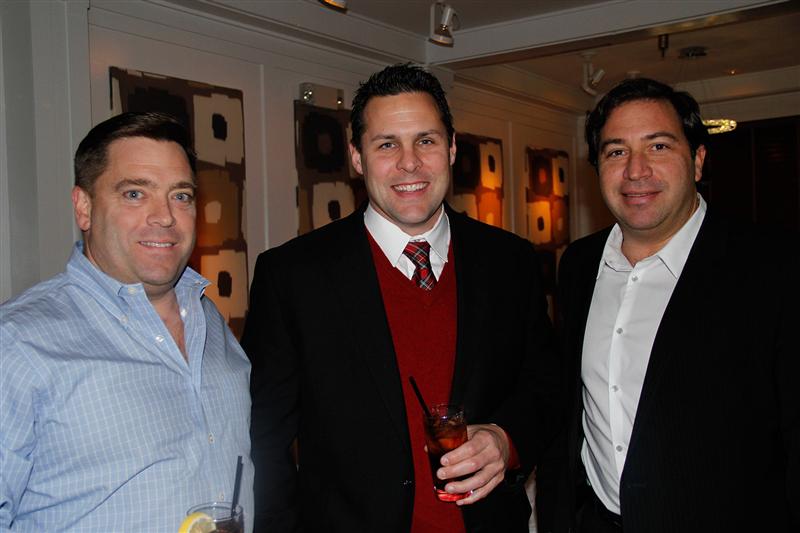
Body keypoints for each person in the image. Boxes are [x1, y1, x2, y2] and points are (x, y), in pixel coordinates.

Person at [242, 63, 562, 532]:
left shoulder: (510, 261)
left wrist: (505, 439)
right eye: (387, 144)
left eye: (426, 141)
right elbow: (263, 441)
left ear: (451, 148)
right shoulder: (292, 276)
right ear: (356, 157)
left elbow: (546, 387)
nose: (409, 163)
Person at [550, 78, 799, 532]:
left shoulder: (774, 267)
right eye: (616, 152)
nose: (636, 171)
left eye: (658, 146)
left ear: (698, 160)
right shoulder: (579, 265)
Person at [0, 112, 254, 532]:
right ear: (83, 208)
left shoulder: (209, 319)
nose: (165, 217)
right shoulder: (16, 344)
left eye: (181, 196)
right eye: (135, 194)